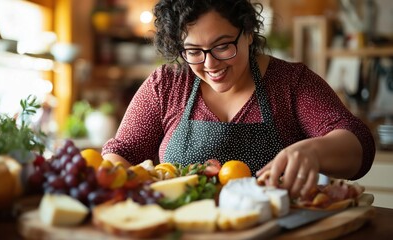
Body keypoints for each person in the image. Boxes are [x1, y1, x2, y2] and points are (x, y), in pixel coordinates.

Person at [102, 0, 375, 198]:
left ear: (247, 32)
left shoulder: (290, 82)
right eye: (194, 51)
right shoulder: (168, 84)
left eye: (222, 46)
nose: (210, 64)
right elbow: (121, 154)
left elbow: (358, 144)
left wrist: (313, 151)